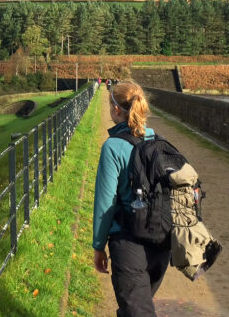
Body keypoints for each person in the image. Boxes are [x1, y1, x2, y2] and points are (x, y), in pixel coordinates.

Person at [92, 80, 170, 317]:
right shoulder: (156, 140)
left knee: (136, 311)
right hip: (161, 242)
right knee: (134, 309)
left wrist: (98, 246)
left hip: (129, 243)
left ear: (116, 109)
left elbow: (105, 205)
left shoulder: (113, 147)